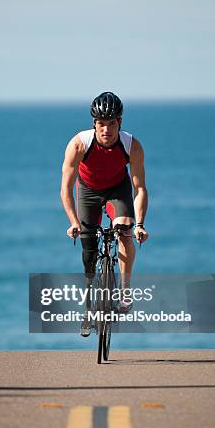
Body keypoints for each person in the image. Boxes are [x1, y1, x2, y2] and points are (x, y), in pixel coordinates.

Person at [60, 91, 148, 334]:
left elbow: (139, 188)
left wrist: (140, 224)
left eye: (111, 124)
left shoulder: (132, 145)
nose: (106, 129)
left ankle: (125, 291)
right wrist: (72, 222)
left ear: (119, 122)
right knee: (89, 253)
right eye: (101, 124)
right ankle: (90, 307)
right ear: (94, 124)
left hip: (117, 190)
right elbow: (66, 188)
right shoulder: (79, 144)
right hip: (87, 192)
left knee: (124, 230)